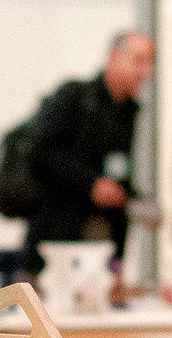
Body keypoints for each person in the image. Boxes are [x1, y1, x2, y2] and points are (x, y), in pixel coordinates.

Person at [24, 31, 156, 273]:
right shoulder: (74, 96)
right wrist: (91, 184)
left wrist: (137, 201)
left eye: (150, 63)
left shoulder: (129, 111)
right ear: (115, 57)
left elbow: (118, 171)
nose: (145, 72)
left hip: (103, 241)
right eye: (139, 60)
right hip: (58, 238)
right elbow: (41, 152)